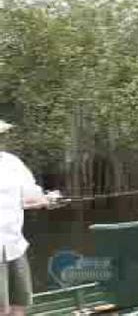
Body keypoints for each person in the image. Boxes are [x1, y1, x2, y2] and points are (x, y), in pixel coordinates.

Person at [0, 120, 65, 316]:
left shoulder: (12, 162)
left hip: (14, 245)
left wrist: (49, 199)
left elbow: (30, 196)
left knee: (19, 303)